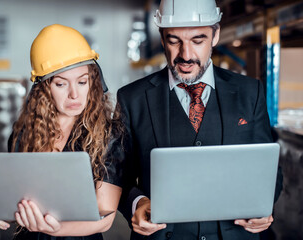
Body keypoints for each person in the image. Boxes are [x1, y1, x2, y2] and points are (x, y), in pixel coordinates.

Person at [117, 0, 283, 239]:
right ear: (163, 38)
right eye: (174, 41)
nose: (186, 55)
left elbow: (269, 169)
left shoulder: (250, 92)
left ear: (215, 36)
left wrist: (264, 206)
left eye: (198, 40)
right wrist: (137, 203)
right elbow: (117, 175)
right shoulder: (132, 98)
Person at [0, 24, 124, 240]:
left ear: (93, 81)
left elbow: (105, 219)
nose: (74, 94)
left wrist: (55, 229)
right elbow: (19, 199)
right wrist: (2, 210)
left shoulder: (109, 134)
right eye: (61, 84)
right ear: (44, 88)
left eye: (82, 82)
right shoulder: (23, 134)